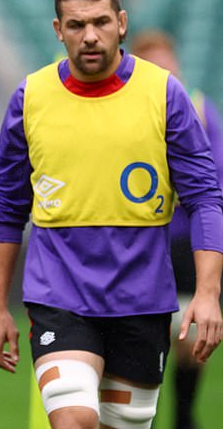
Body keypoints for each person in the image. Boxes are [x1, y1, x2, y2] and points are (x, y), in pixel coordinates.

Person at [0, 0, 223, 429]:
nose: (89, 36)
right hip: (60, 296)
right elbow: (5, 208)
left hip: (142, 302)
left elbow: (205, 198)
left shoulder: (164, 95)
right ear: (58, 30)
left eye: (100, 22)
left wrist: (209, 293)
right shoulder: (30, 98)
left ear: (122, 22)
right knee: (73, 418)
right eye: (76, 25)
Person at [130, 29, 223, 429]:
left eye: (167, 63)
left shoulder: (201, 110)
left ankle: (183, 414)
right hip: (143, 244)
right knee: (142, 337)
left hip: (188, 244)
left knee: (190, 335)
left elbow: (212, 182)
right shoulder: (128, 114)